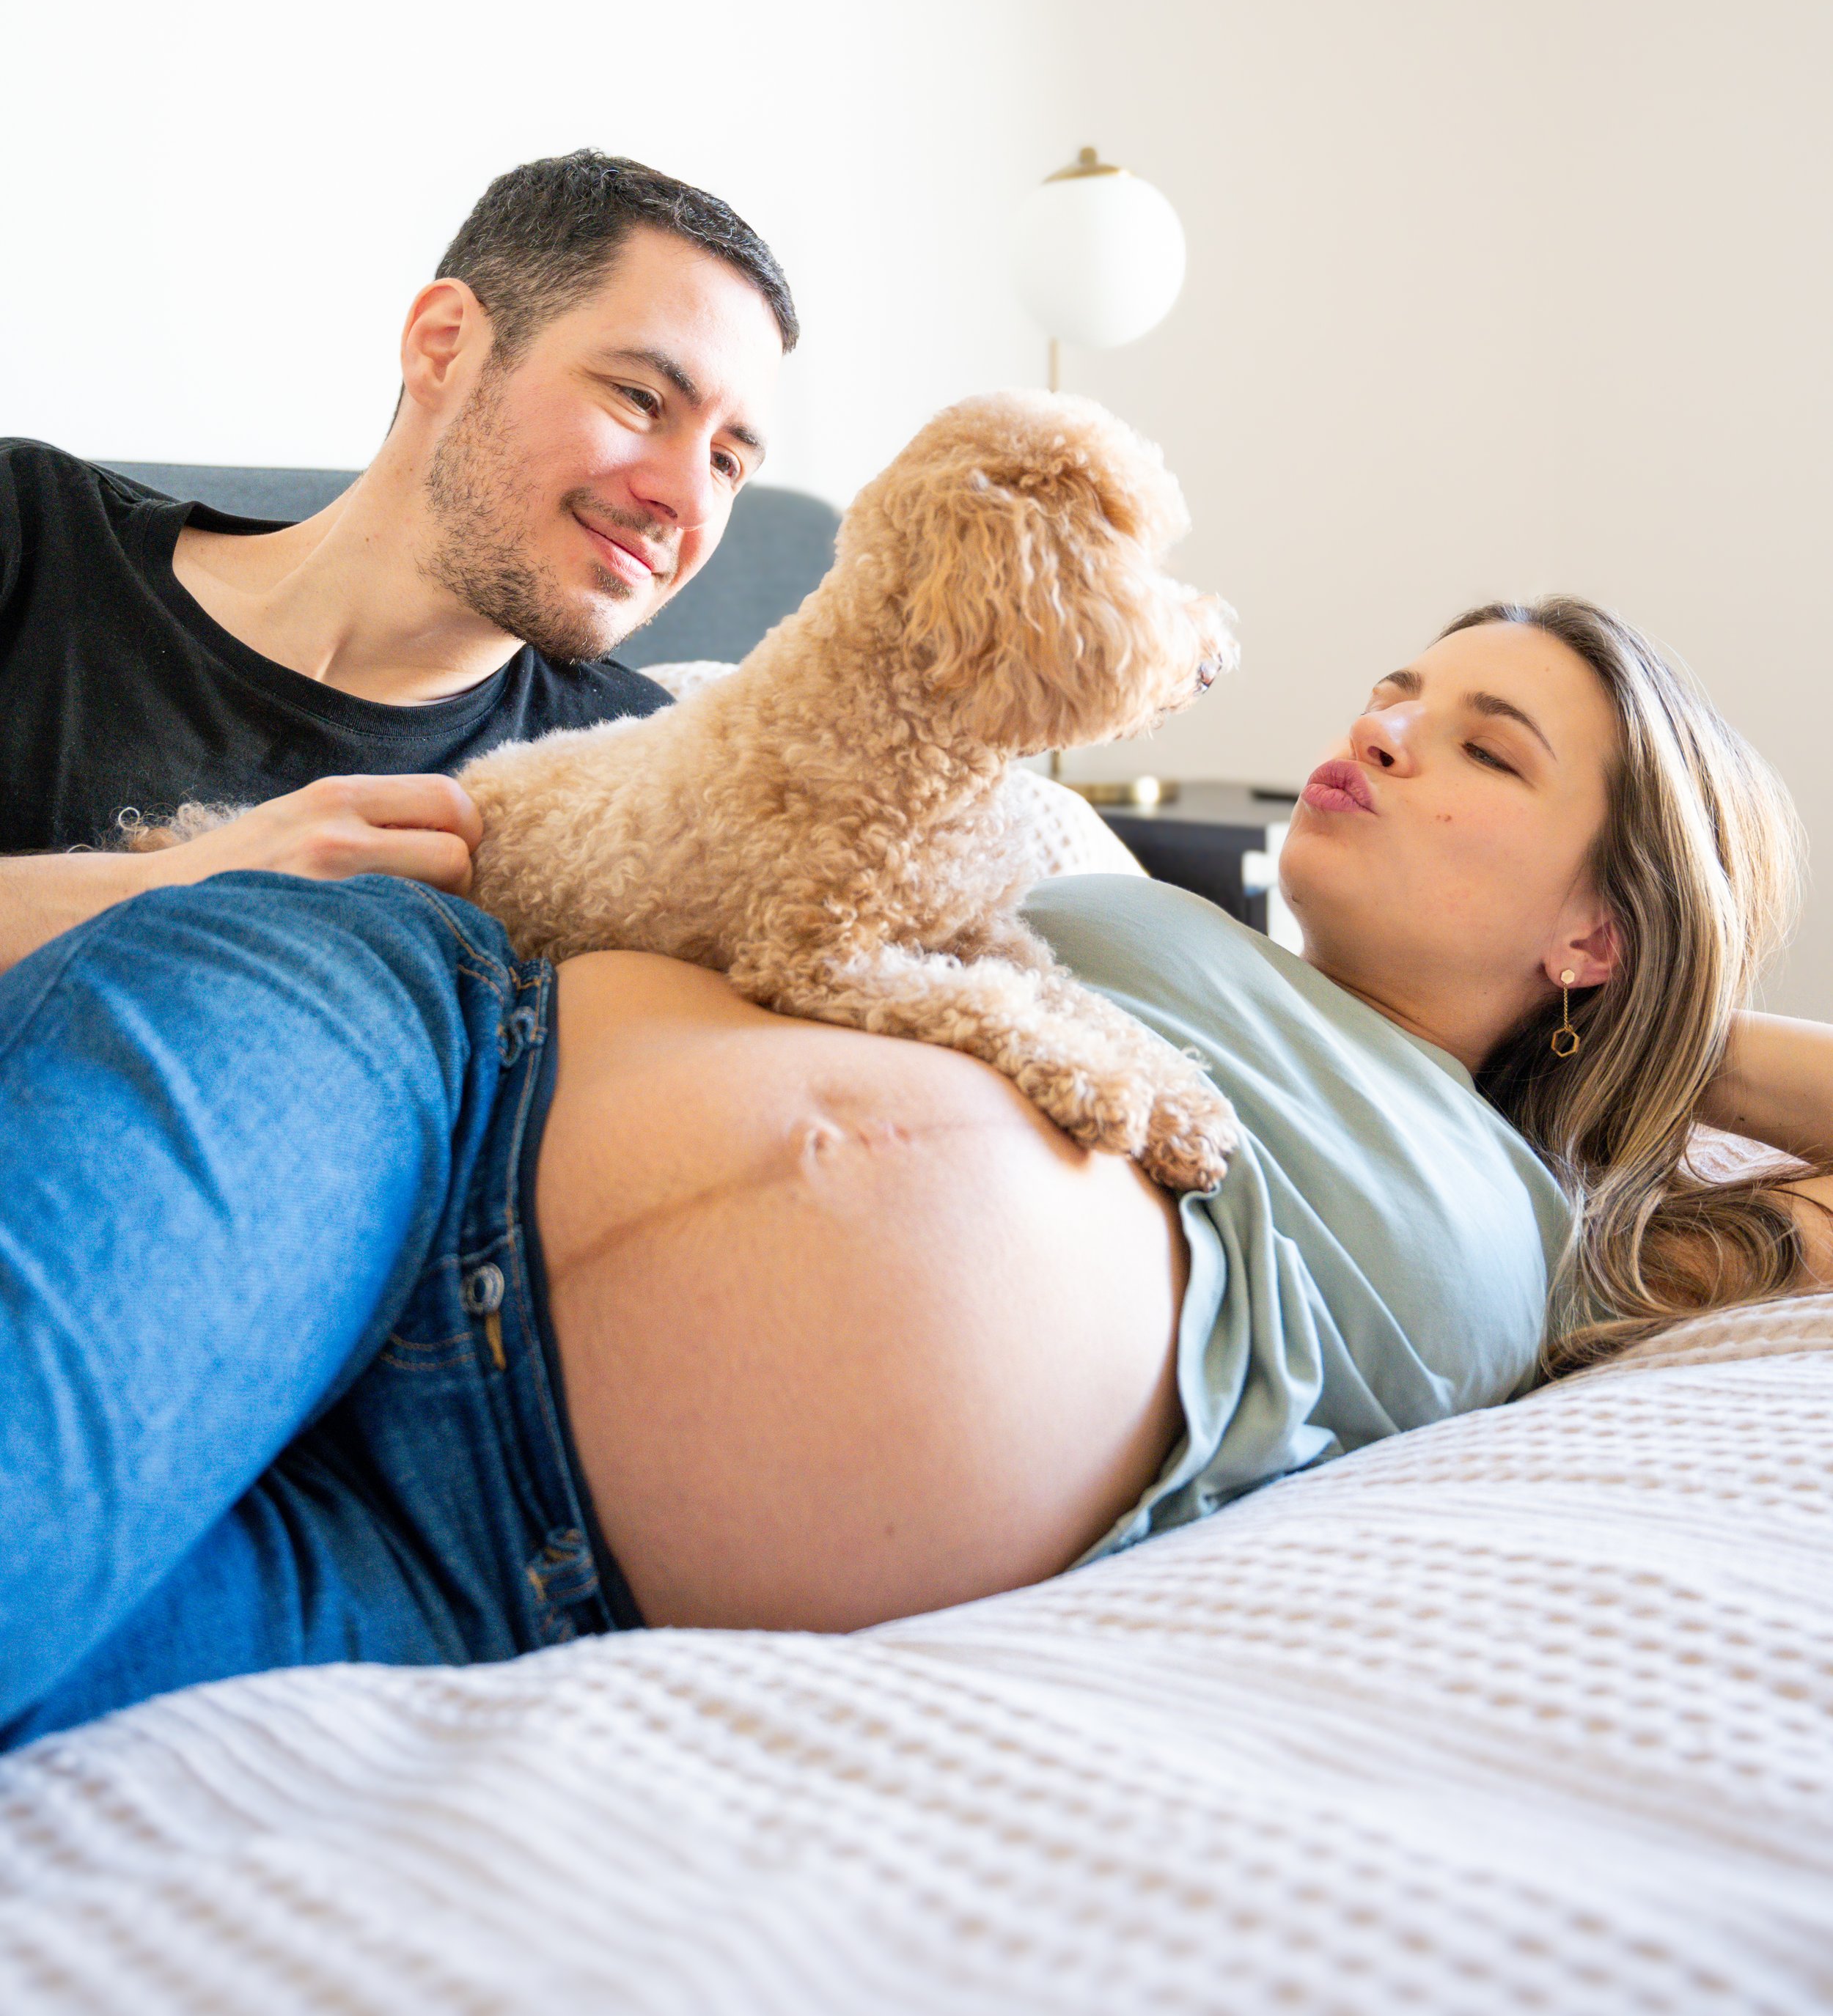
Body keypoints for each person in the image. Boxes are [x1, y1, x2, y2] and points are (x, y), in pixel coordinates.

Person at [3, 593, 1830, 1747]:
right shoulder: (1101, 872)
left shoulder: (1553, 1238)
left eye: (1482, 744)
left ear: (1600, 921)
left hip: (511, 1558)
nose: (1382, 725)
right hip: (409, 1078)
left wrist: (1673, 1023)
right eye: (1396, 687)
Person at [0, 148, 796, 969]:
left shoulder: (634, 765)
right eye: (641, 398)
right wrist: (190, 886)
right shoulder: (31, 528)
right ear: (445, 345)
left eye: (728, 463)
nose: (692, 502)